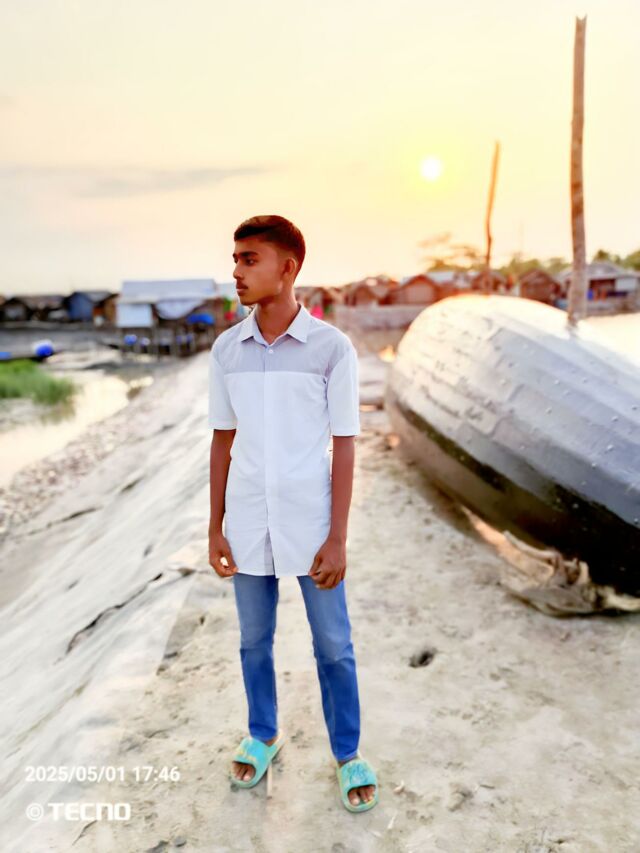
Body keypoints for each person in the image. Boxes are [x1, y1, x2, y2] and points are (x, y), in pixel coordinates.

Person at [208, 214, 378, 812]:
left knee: (333, 644)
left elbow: (345, 444)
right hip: (247, 519)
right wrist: (215, 526)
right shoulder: (226, 350)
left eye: (249, 259)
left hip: (311, 523)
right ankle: (263, 734)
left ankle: (348, 753)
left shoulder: (331, 348)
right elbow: (223, 440)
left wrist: (338, 538)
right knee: (254, 641)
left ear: (288, 267)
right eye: (235, 259)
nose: (236, 271)